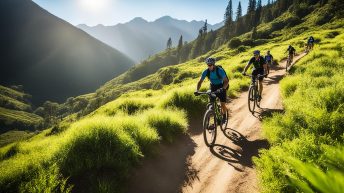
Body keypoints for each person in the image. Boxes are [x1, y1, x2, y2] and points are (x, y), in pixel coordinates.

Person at [195, 57, 229, 123]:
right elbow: (200, 81)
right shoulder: (206, 71)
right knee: (210, 102)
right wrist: (197, 90)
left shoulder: (220, 70)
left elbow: (226, 81)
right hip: (213, 86)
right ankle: (212, 115)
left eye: (210, 65)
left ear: (213, 64)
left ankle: (224, 116)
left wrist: (223, 88)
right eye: (208, 65)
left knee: (222, 104)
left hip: (221, 86)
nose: (209, 66)